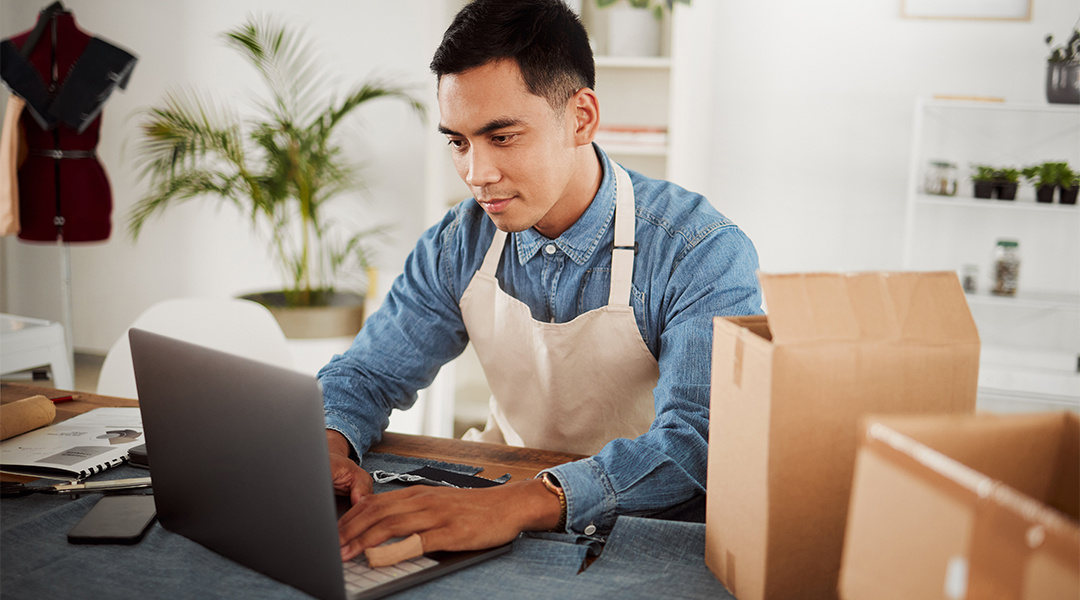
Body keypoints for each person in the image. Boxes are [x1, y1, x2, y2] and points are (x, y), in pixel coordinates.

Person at [321, 0, 762, 561]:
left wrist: (515, 506)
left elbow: (694, 446)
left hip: (646, 526)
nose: (476, 174)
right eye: (458, 141)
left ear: (581, 118)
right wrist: (328, 445)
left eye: (501, 137)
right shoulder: (458, 244)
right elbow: (365, 373)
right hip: (501, 493)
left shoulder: (699, 250)